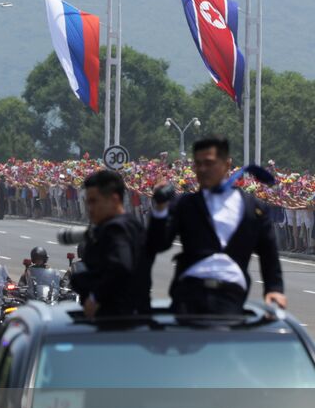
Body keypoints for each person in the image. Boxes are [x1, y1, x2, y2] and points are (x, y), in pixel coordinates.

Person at [147, 136, 285, 316]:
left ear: (227, 165)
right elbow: (158, 243)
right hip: (188, 291)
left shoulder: (254, 208)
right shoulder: (184, 204)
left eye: (209, 163)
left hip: (231, 293)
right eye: (198, 164)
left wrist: (274, 288)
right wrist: (160, 209)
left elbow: (269, 252)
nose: (203, 169)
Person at [72, 169, 151, 319]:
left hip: (114, 317)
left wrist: (96, 297)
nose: (90, 209)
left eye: (94, 201)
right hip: (133, 312)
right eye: (88, 202)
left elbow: (121, 266)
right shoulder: (133, 225)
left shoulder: (116, 229)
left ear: (114, 200)